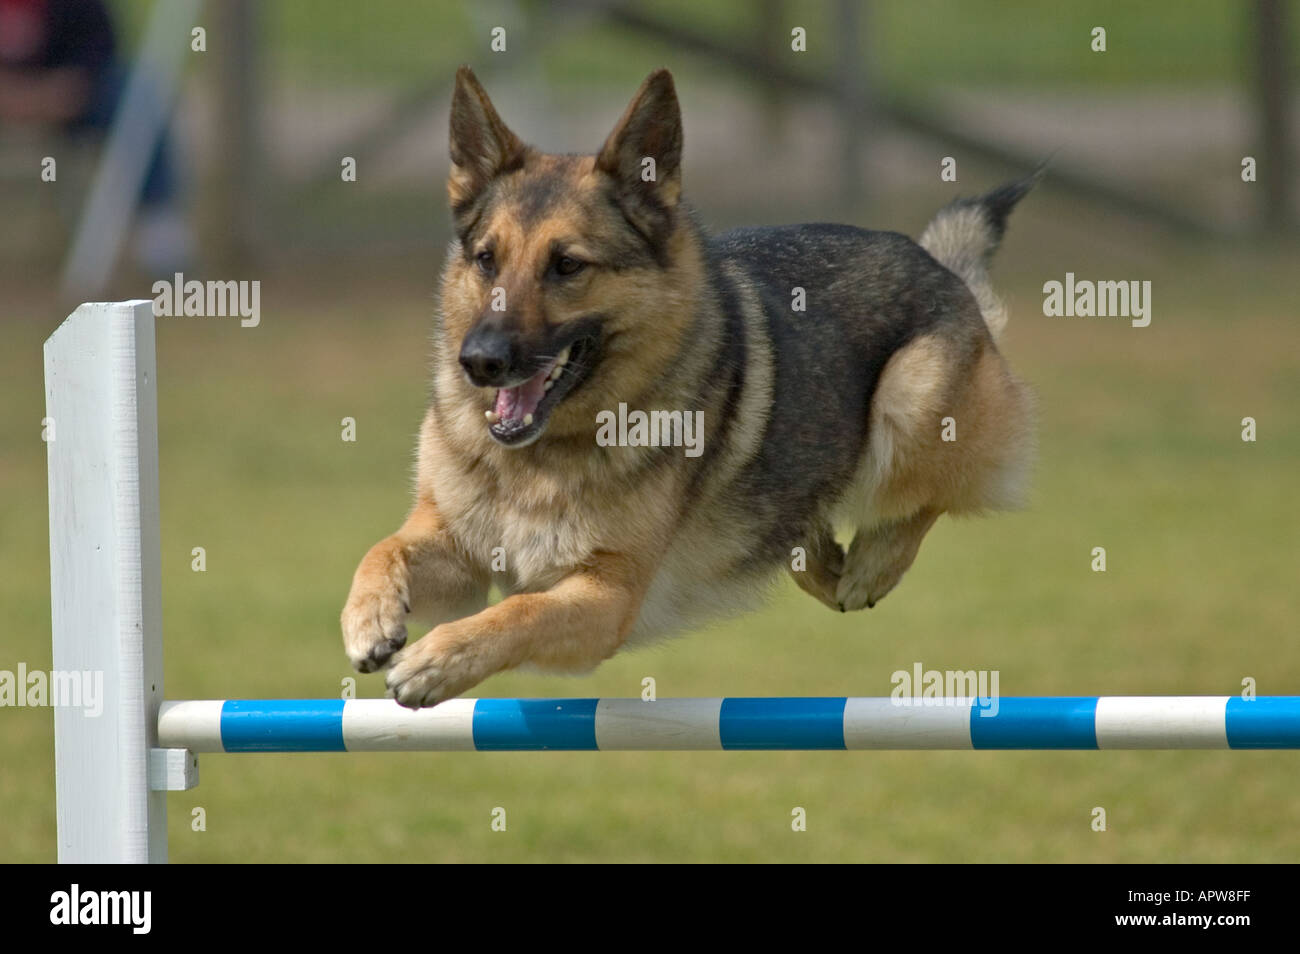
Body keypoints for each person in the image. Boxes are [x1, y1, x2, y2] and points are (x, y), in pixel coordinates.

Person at [0, 0, 193, 273]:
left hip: (68, 99)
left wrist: (61, 92)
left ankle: (158, 224)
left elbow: (100, 52)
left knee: (137, 90)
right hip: (18, 97)